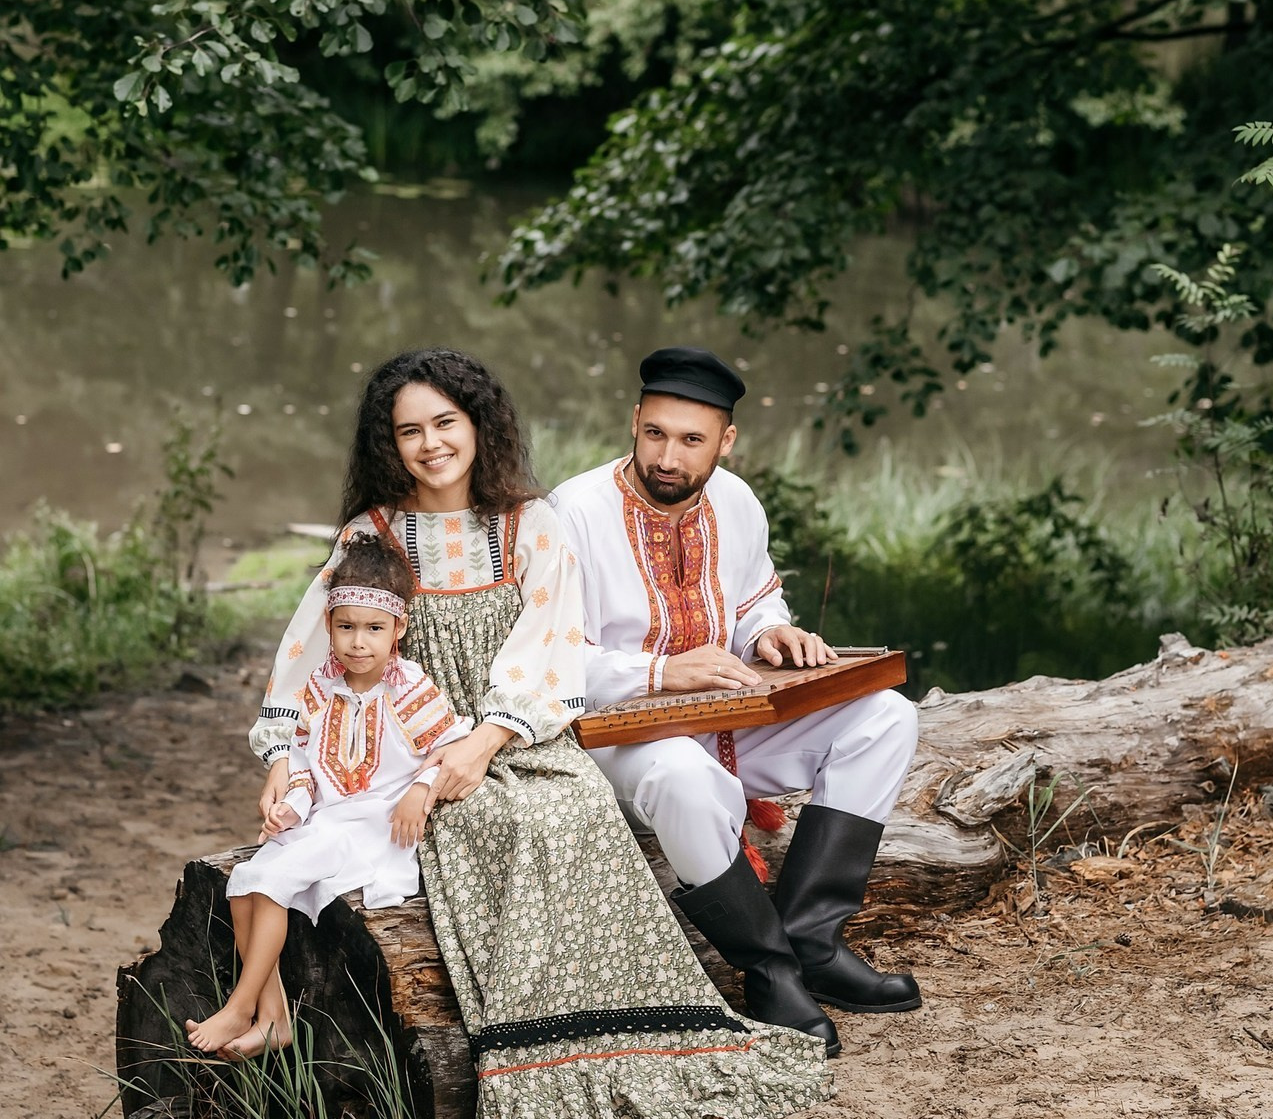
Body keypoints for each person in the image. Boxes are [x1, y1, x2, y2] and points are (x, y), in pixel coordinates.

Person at [248, 348, 831, 1118]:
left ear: (477, 424)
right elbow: (311, 651)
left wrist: (487, 740)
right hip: (412, 744)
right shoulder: (374, 534)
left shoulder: (529, 523)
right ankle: (537, 1056)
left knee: (572, 807)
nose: (430, 444)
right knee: (498, 821)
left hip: (521, 732)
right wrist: (283, 756)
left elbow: (552, 649)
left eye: (445, 423)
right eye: (409, 431)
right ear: (389, 443)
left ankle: (626, 1038)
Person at [552, 346, 923, 1058]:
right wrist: (662, 672)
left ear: (725, 440)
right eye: (655, 433)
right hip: (614, 734)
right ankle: (768, 970)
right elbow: (552, 659)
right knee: (683, 776)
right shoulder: (573, 512)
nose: (667, 457)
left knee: (885, 717)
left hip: (731, 716)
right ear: (634, 422)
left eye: (691, 440)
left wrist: (770, 632)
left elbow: (754, 600)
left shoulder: (736, 499)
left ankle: (814, 943)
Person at [186, 532, 471, 1059]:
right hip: (326, 821)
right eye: (346, 627)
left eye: (374, 628)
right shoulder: (320, 686)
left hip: (375, 827)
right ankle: (273, 1017)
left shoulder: (409, 688)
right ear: (329, 625)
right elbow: (304, 766)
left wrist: (420, 790)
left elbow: (453, 747)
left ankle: (240, 1006)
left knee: (271, 882)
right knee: (243, 885)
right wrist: (288, 809)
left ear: (399, 628)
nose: (358, 642)